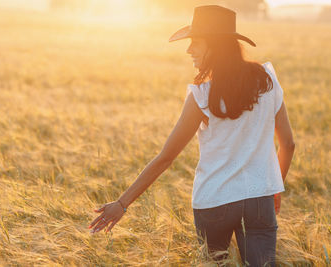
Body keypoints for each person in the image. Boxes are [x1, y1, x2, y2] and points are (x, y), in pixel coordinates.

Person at [88, 5, 295, 267]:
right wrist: (274, 188)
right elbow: (288, 144)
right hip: (259, 200)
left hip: (214, 202)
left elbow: (166, 157)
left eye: (196, 42)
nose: (189, 50)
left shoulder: (201, 96)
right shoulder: (268, 81)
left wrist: (122, 203)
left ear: (215, 45)